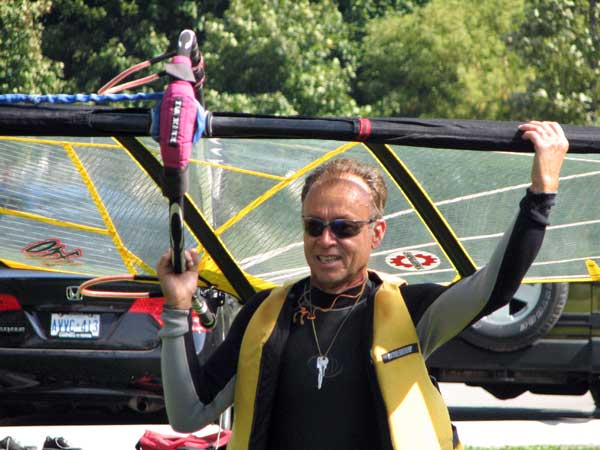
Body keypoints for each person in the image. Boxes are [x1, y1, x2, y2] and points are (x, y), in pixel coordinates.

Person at [157, 120, 569, 450]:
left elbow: (493, 289)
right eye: (314, 226)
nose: (326, 240)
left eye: (344, 228)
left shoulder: (411, 310)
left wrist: (541, 193)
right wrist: (177, 307)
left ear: (376, 234)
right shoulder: (264, 315)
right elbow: (188, 414)